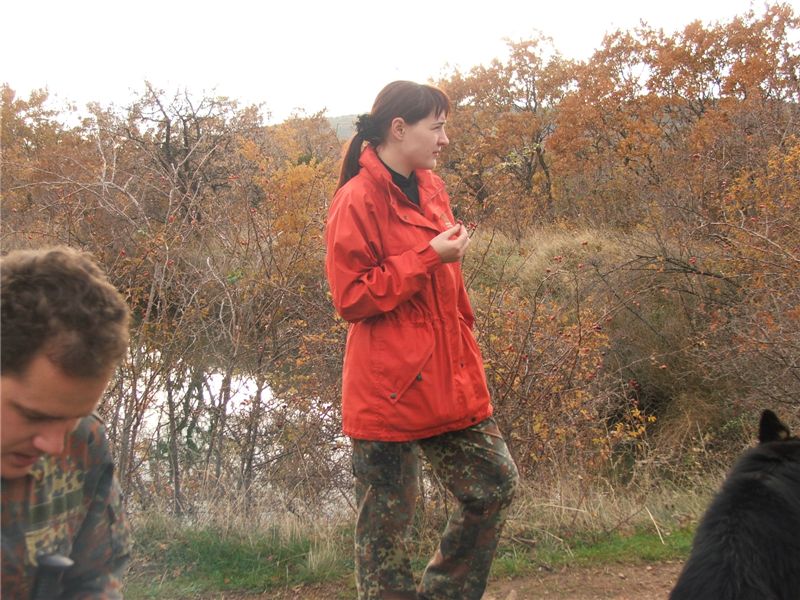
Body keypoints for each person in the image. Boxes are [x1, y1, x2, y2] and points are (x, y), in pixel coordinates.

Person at [325, 81, 519, 600]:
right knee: (385, 534)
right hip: (386, 387)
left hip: (446, 375)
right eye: (437, 127)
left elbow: (447, 287)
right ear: (399, 129)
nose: (445, 139)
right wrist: (429, 257)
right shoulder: (356, 199)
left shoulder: (432, 188)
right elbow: (351, 297)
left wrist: (465, 334)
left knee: (494, 484)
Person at [1, 246, 132, 599]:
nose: (54, 445)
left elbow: (96, 578)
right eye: (34, 416)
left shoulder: (84, 440)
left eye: (72, 418)